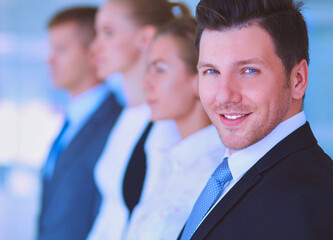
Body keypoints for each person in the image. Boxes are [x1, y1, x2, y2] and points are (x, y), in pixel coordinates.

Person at [178, 0, 333, 239]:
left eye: (249, 70)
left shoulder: (309, 202)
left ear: (298, 80)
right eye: (211, 71)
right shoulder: (229, 171)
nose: (224, 95)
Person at [87, 1, 189, 239]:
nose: (95, 47)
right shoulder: (127, 116)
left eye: (108, 33)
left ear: (146, 38)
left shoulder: (166, 123)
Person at [124, 17, 226, 240]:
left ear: (199, 78)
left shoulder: (217, 175)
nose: (146, 83)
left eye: (159, 70)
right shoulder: (170, 161)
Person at [38, 7, 122, 240]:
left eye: (61, 50)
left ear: (93, 52)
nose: (50, 59)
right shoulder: (71, 120)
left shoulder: (117, 124)